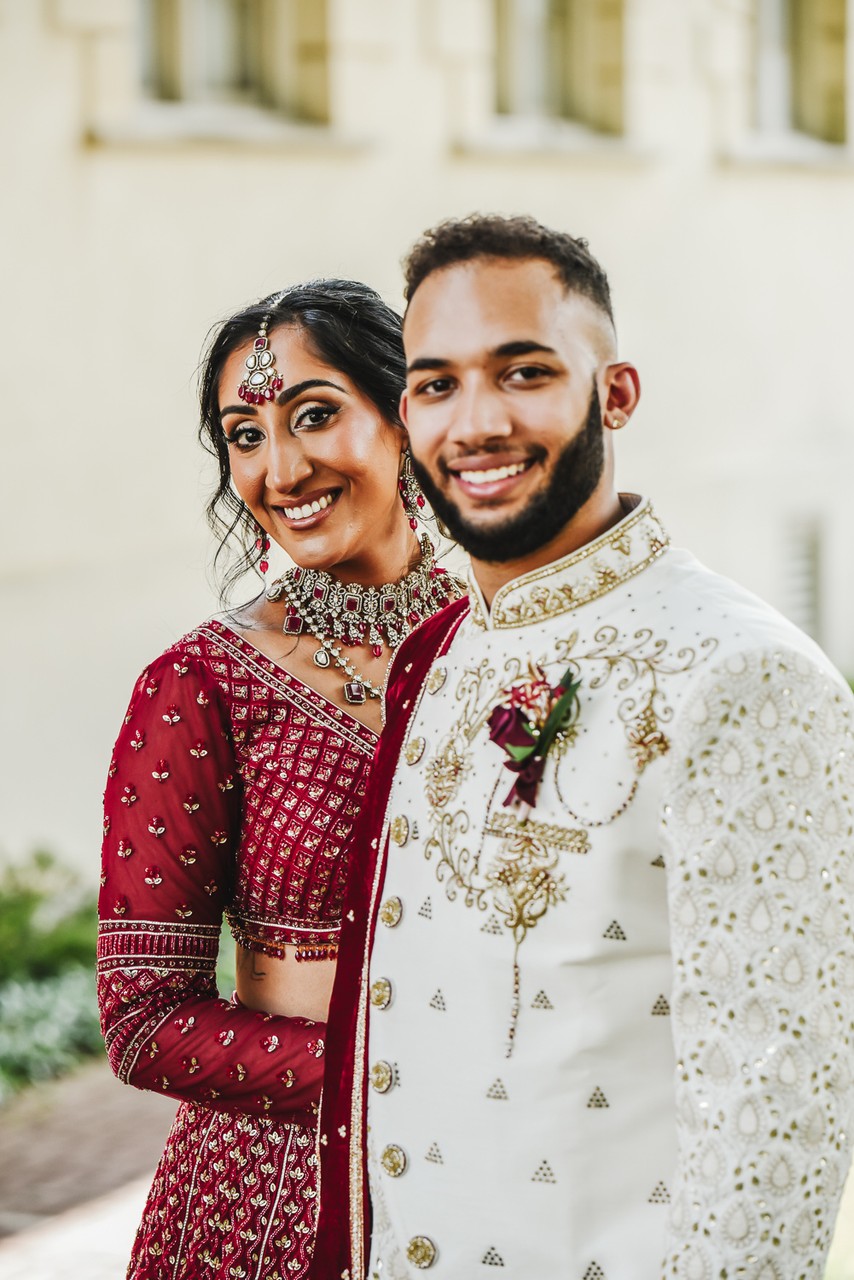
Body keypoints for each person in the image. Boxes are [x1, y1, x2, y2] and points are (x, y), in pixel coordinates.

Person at [311, 216, 854, 1279]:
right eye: (437, 384)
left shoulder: (740, 674)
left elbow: (774, 1113)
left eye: (524, 372)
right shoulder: (445, 651)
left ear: (615, 394)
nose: (477, 422)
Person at [96, 279, 463, 1280]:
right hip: (274, 1194)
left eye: (313, 415)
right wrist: (393, 1080)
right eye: (244, 436)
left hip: (496, 1170)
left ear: (404, 419)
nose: (281, 468)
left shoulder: (507, 649)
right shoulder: (202, 683)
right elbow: (143, 1019)